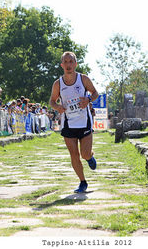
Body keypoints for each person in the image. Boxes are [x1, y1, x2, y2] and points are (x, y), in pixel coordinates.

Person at [49, 51, 99, 193]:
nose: (68, 65)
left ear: (75, 64)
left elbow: (95, 93)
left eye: (71, 62)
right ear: (62, 65)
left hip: (84, 121)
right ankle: (82, 182)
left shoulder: (83, 79)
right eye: (66, 62)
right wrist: (57, 107)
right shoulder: (58, 84)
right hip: (68, 123)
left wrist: (88, 100)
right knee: (74, 155)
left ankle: (89, 157)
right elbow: (52, 101)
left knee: (84, 154)